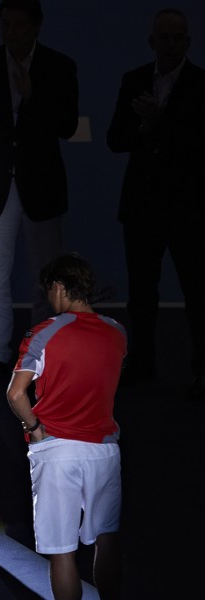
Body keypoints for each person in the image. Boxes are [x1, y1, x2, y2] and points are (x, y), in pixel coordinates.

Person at [0, 0, 79, 383]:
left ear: (36, 26)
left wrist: (33, 95)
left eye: (17, 24)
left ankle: (40, 357)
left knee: (47, 278)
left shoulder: (60, 66)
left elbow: (67, 125)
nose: (10, 31)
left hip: (41, 185)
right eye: (4, 23)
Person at [7, 253, 125, 600]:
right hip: (105, 452)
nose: (49, 299)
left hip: (57, 451)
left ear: (59, 287)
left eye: (49, 291)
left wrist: (35, 429)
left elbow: (16, 395)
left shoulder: (44, 332)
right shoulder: (118, 333)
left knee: (62, 553)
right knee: (107, 540)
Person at [106, 8, 205, 401]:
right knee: (141, 292)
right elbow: (116, 138)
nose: (170, 44)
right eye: (163, 37)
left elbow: (197, 144)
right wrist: (145, 127)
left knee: (197, 292)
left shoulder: (201, 85)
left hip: (187, 208)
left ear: (187, 43)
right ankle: (143, 364)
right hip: (143, 206)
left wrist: (157, 122)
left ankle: (202, 372)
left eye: (177, 38)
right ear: (152, 42)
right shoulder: (133, 81)